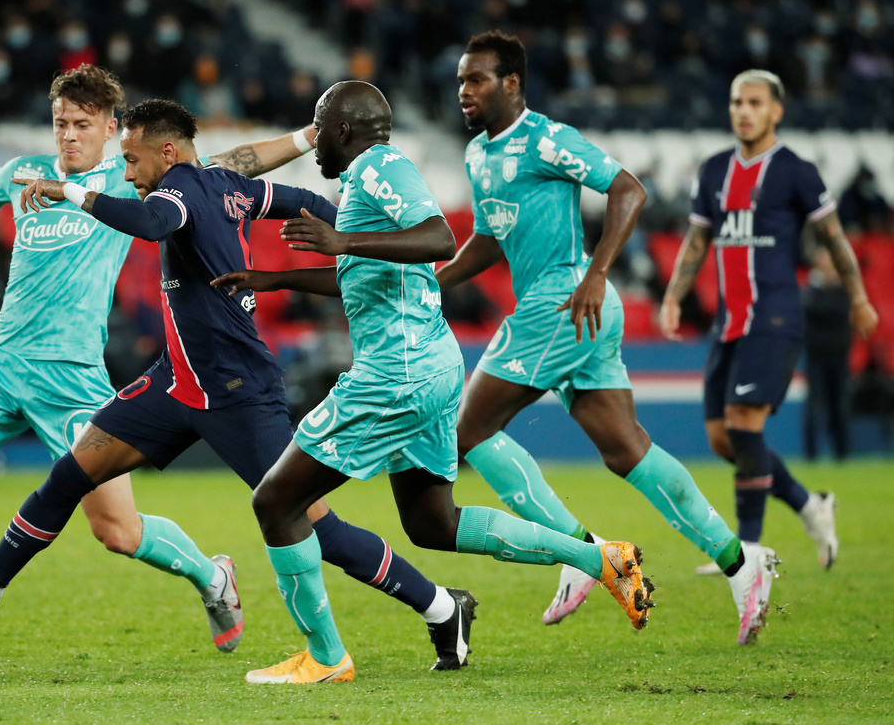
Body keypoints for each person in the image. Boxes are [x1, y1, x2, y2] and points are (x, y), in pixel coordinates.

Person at [0, 98, 481, 671]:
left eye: (133, 160)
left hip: (236, 390)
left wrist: (71, 192)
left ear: (168, 153)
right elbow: (299, 199)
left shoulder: (177, 192)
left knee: (315, 525)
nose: (128, 173)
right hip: (175, 382)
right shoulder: (228, 186)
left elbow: (152, 223)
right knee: (70, 476)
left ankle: (439, 605)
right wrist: (337, 222)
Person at [0, 65, 319, 649]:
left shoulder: (129, 182)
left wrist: (307, 137)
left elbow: (234, 164)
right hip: (2, 367)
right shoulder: (22, 174)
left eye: (81, 124)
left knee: (118, 532)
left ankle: (212, 576)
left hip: (74, 381)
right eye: (60, 123)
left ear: (110, 127)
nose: (68, 135)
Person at [213, 80, 654, 685]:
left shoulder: (379, 167)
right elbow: (365, 272)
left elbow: (439, 238)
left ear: (343, 130)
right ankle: (601, 559)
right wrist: (277, 279)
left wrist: (341, 239)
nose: (314, 142)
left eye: (319, 126)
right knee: (433, 524)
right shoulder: (365, 181)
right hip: (428, 366)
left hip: (394, 373)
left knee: (275, 500)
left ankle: (325, 657)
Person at [437, 32, 775, 647]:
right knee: (626, 450)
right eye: (461, 80)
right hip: (575, 311)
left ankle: (582, 554)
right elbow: (489, 238)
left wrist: (595, 274)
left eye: (476, 79)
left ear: (511, 83)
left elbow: (628, 189)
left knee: (467, 431)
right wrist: (437, 282)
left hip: (564, 300)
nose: (464, 90)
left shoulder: (547, 138)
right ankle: (739, 560)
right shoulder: (478, 154)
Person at [660, 69, 879, 571]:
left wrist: (859, 297)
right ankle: (809, 504)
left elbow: (834, 238)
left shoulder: (796, 171)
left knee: (743, 426)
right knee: (723, 439)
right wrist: (674, 296)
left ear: (776, 111)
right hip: (729, 323)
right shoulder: (714, 170)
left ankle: (749, 553)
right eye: (737, 102)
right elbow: (697, 242)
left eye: (755, 103)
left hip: (775, 317)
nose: (744, 111)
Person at [802, 246, 854, 461]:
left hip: (839, 356)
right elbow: (813, 307)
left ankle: (842, 453)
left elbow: (841, 309)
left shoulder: (844, 289)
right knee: (814, 407)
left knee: (840, 406)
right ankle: (811, 454)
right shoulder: (810, 289)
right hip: (816, 356)